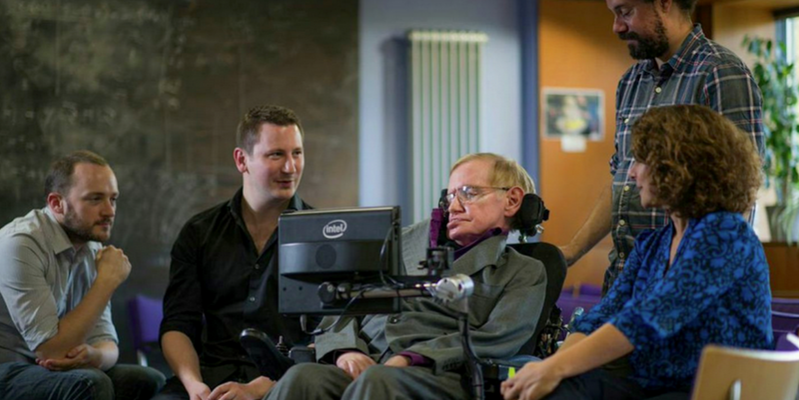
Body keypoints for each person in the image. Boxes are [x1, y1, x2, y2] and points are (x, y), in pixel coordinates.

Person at [501, 105, 773, 400]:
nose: (631, 173)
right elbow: (602, 316)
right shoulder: (652, 245)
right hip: (653, 387)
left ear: (679, 167)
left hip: (713, 391)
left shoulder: (724, 233)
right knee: (552, 391)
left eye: (641, 161)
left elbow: (648, 319)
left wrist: (553, 369)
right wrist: (549, 370)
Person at [263, 153, 548, 400]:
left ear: (511, 200)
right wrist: (345, 351)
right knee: (303, 378)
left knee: (378, 382)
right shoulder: (396, 243)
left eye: (469, 193)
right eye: (450, 196)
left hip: (440, 373)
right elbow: (342, 310)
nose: (454, 207)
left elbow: (498, 338)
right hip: (367, 360)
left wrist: (411, 358)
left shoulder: (523, 271)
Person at [559, 0, 765, 294]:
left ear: (665, 3)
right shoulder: (631, 81)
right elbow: (622, 180)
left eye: (625, 12)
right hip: (624, 278)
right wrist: (570, 252)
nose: (617, 26)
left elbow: (742, 187)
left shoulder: (720, 72)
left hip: (683, 282)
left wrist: (698, 278)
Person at [156, 105, 313, 400]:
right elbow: (178, 326)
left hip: (285, 385)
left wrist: (265, 387)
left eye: (297, 153)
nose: (290, 167)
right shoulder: (199, 232)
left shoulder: (322, 235)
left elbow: (330, 337)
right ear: (242, 160)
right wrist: (195, 386)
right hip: (208, 379)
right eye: (276, 155)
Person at [0, 150, 166, 400]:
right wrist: (106, 282)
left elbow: (107, 343)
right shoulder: (20, 244)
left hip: (50, 370)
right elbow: (50, 351)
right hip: (8, 368)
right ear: (57, 203)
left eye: (113, 199)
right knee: (90, 383)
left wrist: (95, 355)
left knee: (148, 379)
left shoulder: (92, 249)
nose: (109, 211)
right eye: (95, 199)